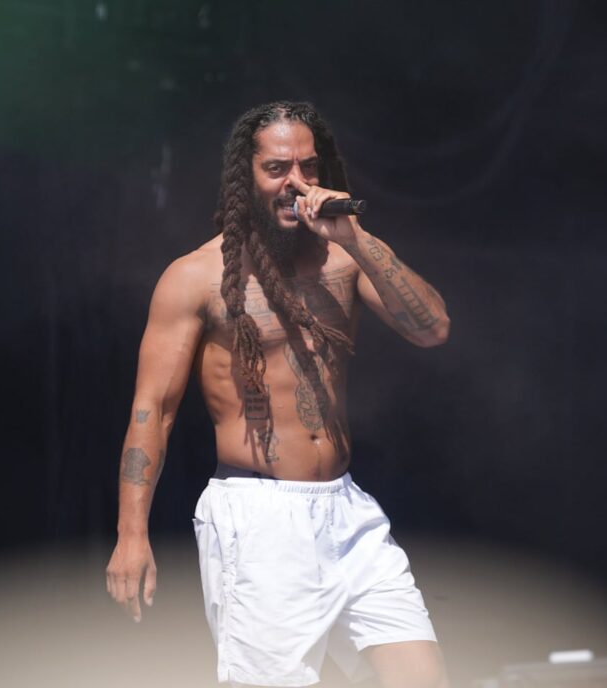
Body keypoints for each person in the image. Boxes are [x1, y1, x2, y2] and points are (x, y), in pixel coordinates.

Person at [106, 101, 451, 688]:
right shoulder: (195, 277)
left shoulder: (344, 259)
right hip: (260, 517)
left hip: (347, 512)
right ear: (245, 179)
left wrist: (357, 237)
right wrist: (131, 535)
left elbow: (432, 328)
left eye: (309, 167)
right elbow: (153, 412)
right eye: (277, 169)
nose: (297, 182)